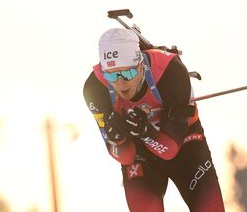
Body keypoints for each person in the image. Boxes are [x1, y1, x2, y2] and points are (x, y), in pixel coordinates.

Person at [83, 28, 225, 211]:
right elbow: (124, 157)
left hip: (185, 146)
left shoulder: (170, 71)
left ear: (141, 64)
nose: (120, 83)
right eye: (111, 75)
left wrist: (145, 131)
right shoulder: (95, 88)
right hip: (140, 155)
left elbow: (171, 150)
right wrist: (117, 138)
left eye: (127, 74)